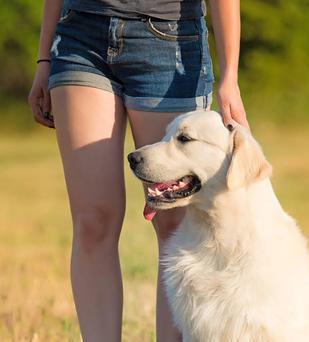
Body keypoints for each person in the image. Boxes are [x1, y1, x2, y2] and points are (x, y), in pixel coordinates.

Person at [28, 0, 249, 340]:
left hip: (171, 43)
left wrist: (230, 75)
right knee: (93, 221)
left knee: (174, 224)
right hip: (80, 35)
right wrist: (44, 59)